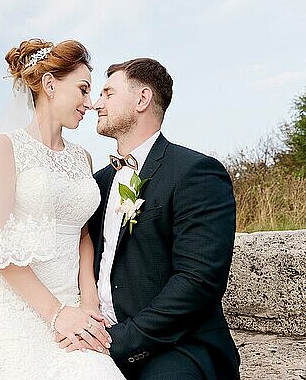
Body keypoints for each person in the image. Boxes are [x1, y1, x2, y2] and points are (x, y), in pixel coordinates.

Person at [0, 39, 125, 379]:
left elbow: (82, 233)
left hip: (70, 297)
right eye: (82, 90)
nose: (89, 102)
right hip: (14, 303)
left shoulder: (81, 157)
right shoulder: (6, 147)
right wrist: (57, 314)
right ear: (50, 85)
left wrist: (87, 300)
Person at [68, 58, 240, 379]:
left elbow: (197, 282)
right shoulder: (97, 183)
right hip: (99, 333)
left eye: (107, 93)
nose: (95, 104)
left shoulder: (195, 173)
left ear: (142, 100)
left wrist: (117, 341)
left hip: (178, 346)